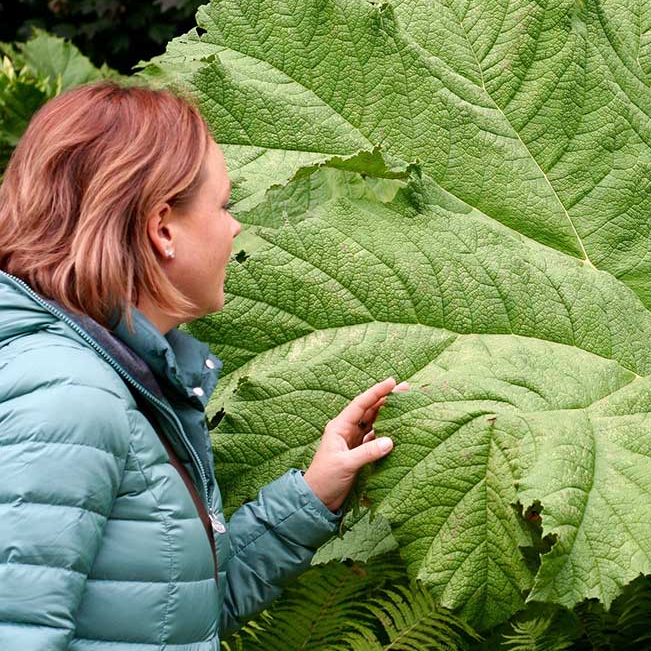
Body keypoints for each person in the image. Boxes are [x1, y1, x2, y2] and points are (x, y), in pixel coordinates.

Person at [0, 81, 402, 649]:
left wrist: (313, 496)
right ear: (163, 227)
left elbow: (173, 614)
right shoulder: (67, 398)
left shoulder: (111, 376)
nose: (234, 226)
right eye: (223, 205)